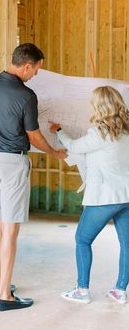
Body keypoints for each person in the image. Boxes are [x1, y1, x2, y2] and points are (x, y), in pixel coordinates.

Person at [0, 43, 67, 312]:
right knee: (12, 228)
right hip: (12, 162)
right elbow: (34, 135)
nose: (35, 76)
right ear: (26, 65)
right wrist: (53, 151)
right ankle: (5, 296)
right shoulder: (26, 95)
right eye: (36, 70)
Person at [50, 85, 129, 304]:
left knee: (82, 239)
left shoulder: (99, 134)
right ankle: (120, 291)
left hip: (105, 197)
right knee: (127, 244)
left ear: (99, 107)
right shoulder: (126, 131)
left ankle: (82, 291)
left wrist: (58, 131)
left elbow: (74, 146)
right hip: (127, 196)